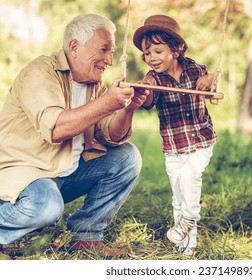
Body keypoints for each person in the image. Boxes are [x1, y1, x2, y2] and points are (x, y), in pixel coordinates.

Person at [0, 13, 149, 259]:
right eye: (103, 50)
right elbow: (56, 129)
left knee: (127, 156)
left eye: (111, 52)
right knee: (46, 205)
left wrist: (128, 108)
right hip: (23, 172)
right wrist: (106, 103)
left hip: (63, 173)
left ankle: (86, 235)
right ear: (74, 47)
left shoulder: (94, 84)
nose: (110, 61)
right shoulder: (40, 72)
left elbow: (111, 135)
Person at [132, 14, 218, 258]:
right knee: (178, 195)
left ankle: (188, 221)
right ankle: (187, 247)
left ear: (176, 49)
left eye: (158, 51)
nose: (152, 58)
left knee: (191, 176)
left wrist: (210, 80)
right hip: (173, 145)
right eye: (147, 54)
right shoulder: (155, 79)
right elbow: (148, 100)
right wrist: (144, 90)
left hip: (201, 140)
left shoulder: (195, 69)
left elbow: (211, 84)